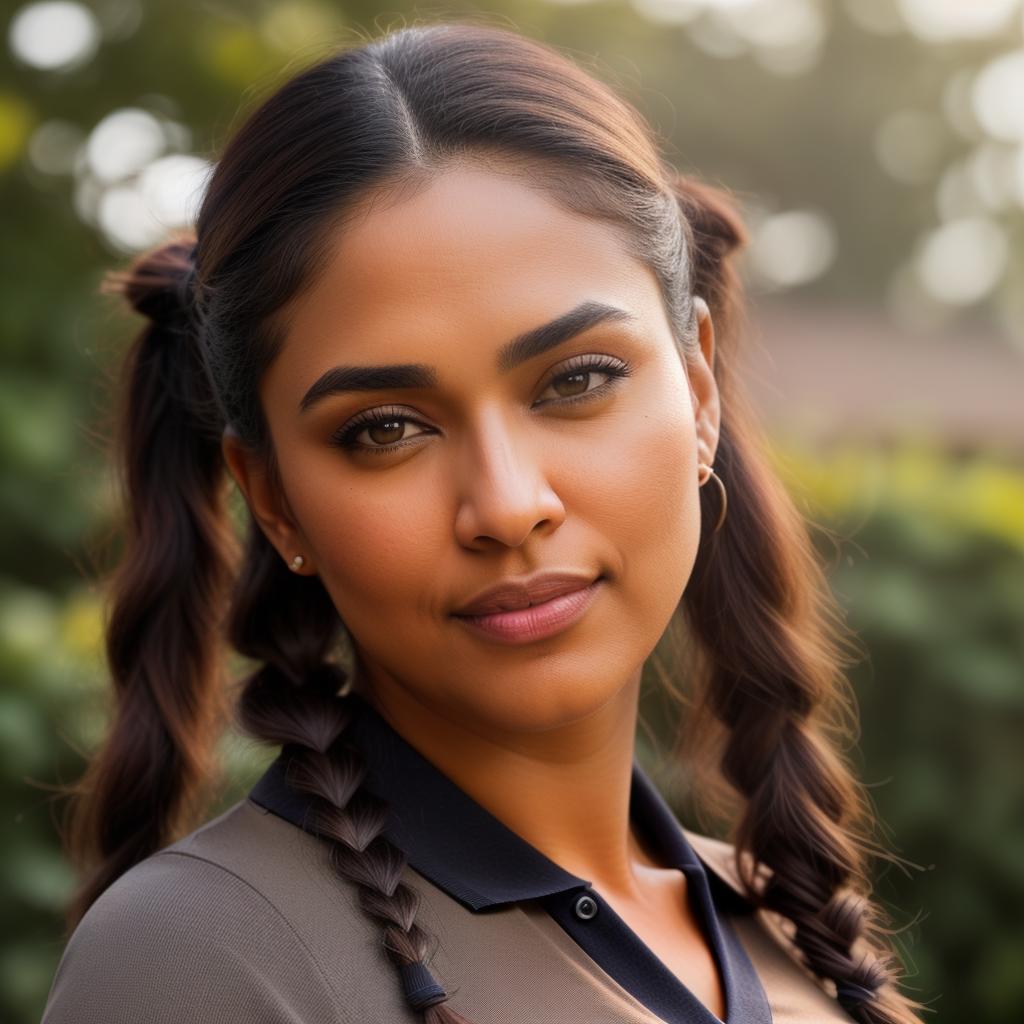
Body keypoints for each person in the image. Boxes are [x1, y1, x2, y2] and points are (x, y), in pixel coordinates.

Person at [40, 20, 925, 1024]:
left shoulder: (791, 933)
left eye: (578, 379)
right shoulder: (200, 958)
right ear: (273, 497)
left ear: (698, 389)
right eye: (385, 430)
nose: (506, 505)